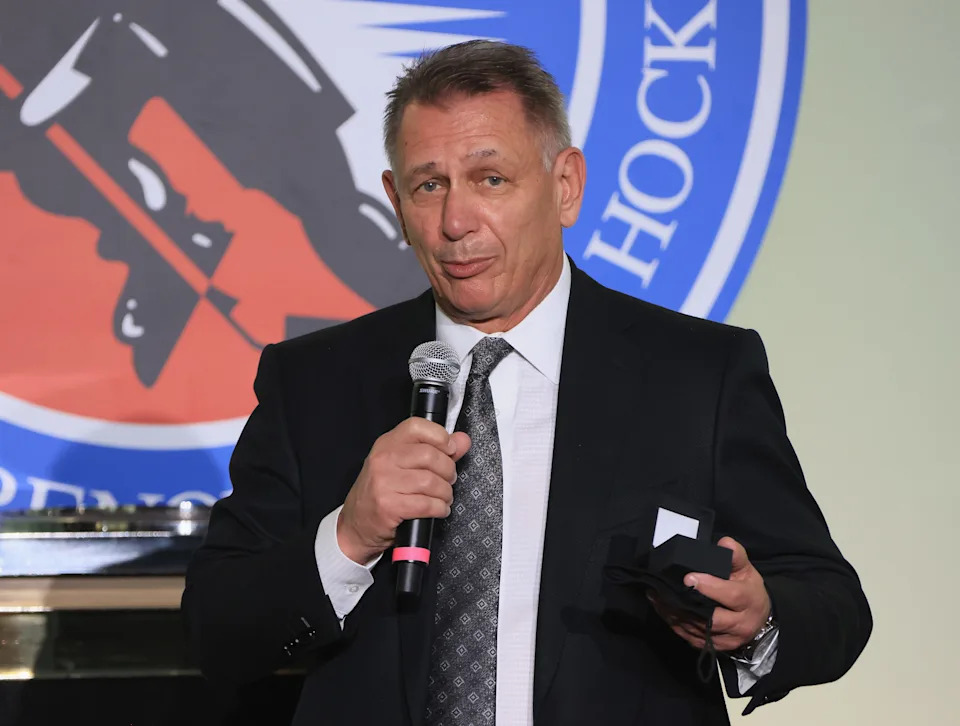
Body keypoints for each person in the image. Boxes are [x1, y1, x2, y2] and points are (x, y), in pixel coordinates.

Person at [182, 40, 871, 726]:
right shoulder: (315, 380)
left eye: (490, 180)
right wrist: (349, 535)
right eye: (429, 186)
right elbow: (217, 628)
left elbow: (832, 603)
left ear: (565, 185)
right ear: (396, 201)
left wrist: (758, 620)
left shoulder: (697, 373)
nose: (455, 223)